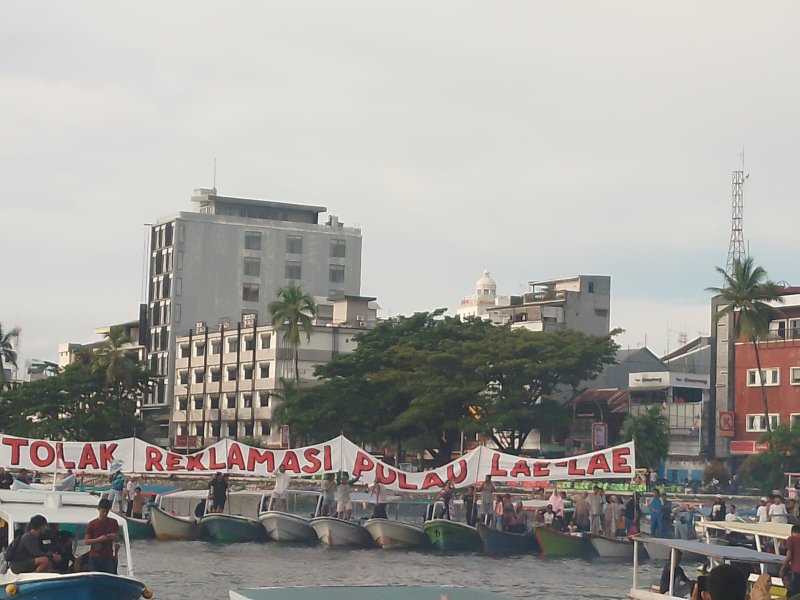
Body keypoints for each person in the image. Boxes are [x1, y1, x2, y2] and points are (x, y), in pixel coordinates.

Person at [84, 498, 119, 574]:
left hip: (108, 556)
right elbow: (86, 541)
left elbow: (117, 539)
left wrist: (112, 537)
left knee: (110, 577)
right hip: (94, 556)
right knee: (94, 577)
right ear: (98, 509)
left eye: (106, 512)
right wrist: (99, 539)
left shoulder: (113, 522)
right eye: (102, 511)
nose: (104, 514)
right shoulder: (92, 524)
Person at [780, 524, 800, 597]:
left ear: (792, 532)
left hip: (797, 571)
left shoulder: (791, 539)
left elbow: (789, 556)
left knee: (794, 594)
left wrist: (782, 569)